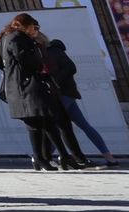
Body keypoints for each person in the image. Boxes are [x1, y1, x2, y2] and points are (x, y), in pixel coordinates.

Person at [0, 13, 83, 171]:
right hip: (28, 86)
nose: (35, 31)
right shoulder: (17, 38)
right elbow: (25, 59)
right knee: (39, 122)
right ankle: (45, 157)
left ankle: (54, 157)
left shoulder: (5, 39)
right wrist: (36, 66)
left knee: (43, 122)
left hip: (21, 85)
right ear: (23, 25)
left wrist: (10, 72)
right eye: (34, 27)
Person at [44, 38, 117, 166]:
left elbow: (70, 68)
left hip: (62, 94)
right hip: (69, 94)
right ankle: (110, 158)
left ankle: (45, 157)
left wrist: (54, 82)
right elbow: (70, 68)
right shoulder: (58, 52)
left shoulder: (52, 52)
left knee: (57, 127)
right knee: (82, 126)